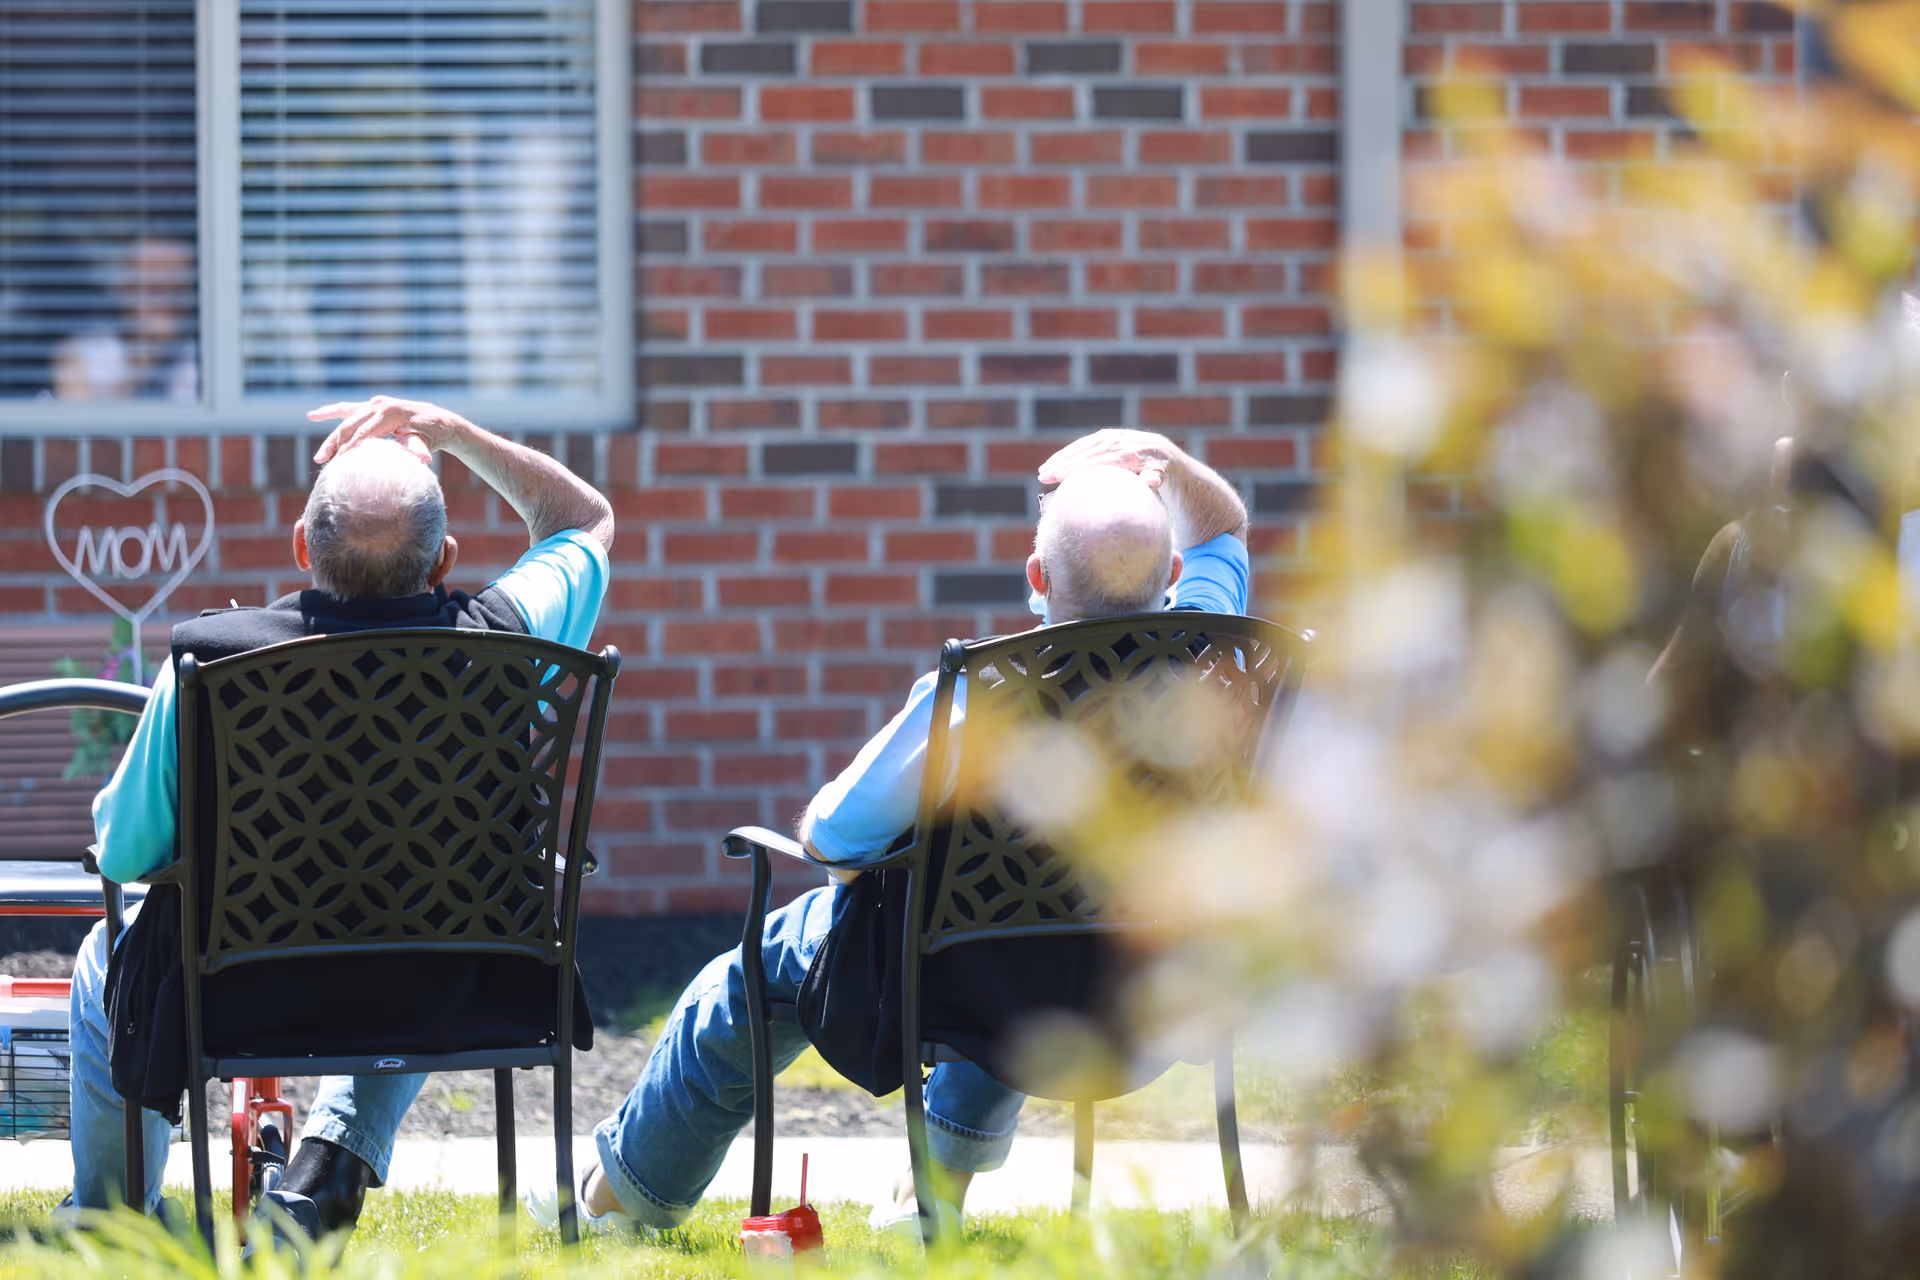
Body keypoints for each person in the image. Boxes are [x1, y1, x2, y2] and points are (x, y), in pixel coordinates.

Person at [534, 428, 1252, 1235]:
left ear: (1037, 578)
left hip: (975, 991)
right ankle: (927, 1199)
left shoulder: (977, 696)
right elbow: (1224, 529)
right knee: (1007, 934)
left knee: (750, 980)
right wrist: (1164, 457)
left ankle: (616, 1199)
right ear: (1178, 577)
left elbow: (834, 838)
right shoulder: (1213, 657)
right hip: (1151, 998)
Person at [66, 396, 614, 1234]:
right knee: (417, 906)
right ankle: (330, 1166)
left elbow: (127, 850)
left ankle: (111, 1216)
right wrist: (453, 435)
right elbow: (583, 517)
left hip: (241, 996)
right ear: (445, 563)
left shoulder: (207, 667)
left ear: (300, 549)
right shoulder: (514, 641)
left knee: (108, 951)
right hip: (455, 980)